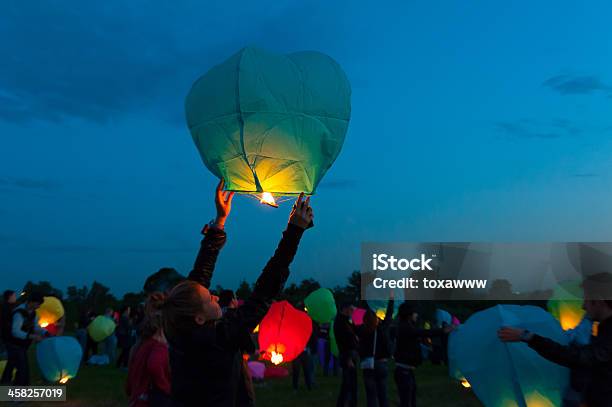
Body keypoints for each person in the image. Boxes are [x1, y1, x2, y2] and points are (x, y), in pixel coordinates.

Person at [162, 180, 314, 406]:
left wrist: (219, 222)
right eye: (209, 298)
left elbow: (198, 279)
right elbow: (264, 293)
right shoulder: (219, 338)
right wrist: (294, 232)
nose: (215, 296)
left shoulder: (178, 332)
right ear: (200, 318)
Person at [498, 272, 612, 407]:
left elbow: (578, 357)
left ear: (598, 300)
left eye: (586, 300)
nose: (583, 306)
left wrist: (528, 337)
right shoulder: (604, 330)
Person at [393, 302, 453, 407]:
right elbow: (422, 332)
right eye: (414, 313)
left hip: (406, 370)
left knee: (410, 400)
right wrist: (442, 331)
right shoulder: (405, 328)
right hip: (404, 372)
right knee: (407, 402)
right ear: (409, 314)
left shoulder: (406, 326)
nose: (416, 315)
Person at [126, 292, 171, 407]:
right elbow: (154, 365)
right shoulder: (159, 345)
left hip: (137, 399)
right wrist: (166, 387)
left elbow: (129, 383)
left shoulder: (140, 345)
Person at [0, 292, 46, 385]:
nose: (39, 306)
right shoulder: (19, 313)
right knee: (22, 369)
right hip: (13, 344)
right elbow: (15, 331)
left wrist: (46, 332)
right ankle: (18, 396)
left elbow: (35, 326)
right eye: (38, 304)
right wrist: (32, 336)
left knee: (11, 365)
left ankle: (5, 383)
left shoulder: (34, 314)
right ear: (32, 302)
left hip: (23, 345)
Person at [356, 298, 394, 407]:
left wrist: (361, 303)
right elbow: (389, 316)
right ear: (376, 319)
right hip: (381, 363)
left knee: (371, 395)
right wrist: (391, 300)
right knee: (383, 393)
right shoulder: (382, 330)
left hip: (368, 364)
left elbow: (357, 318)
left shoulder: (361, 331)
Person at [334, 301, 358, 407]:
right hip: (347, 355)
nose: (353, 312)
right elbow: (344, 341)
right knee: (348, 383)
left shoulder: (346, 321)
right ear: (345, 309)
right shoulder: (340, 322)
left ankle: (348, 403)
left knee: (350, 383)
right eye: (351, 310)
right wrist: (348, 358)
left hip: (349, 354)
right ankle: (344, 403)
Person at [292, 318, 318, 391]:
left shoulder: (307, 330)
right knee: (297, 370)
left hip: (305, 352)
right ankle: (296, 387)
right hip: (297, 353)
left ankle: (308, 386)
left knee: (307, 370)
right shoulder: (294, 330)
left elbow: (311, 338)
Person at [1, 290, 17, 355]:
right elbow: (5, 322)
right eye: (14, 296)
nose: (15, 297)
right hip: (5, 337)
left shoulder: (9, 306)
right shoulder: (5, 307)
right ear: (10, 297)